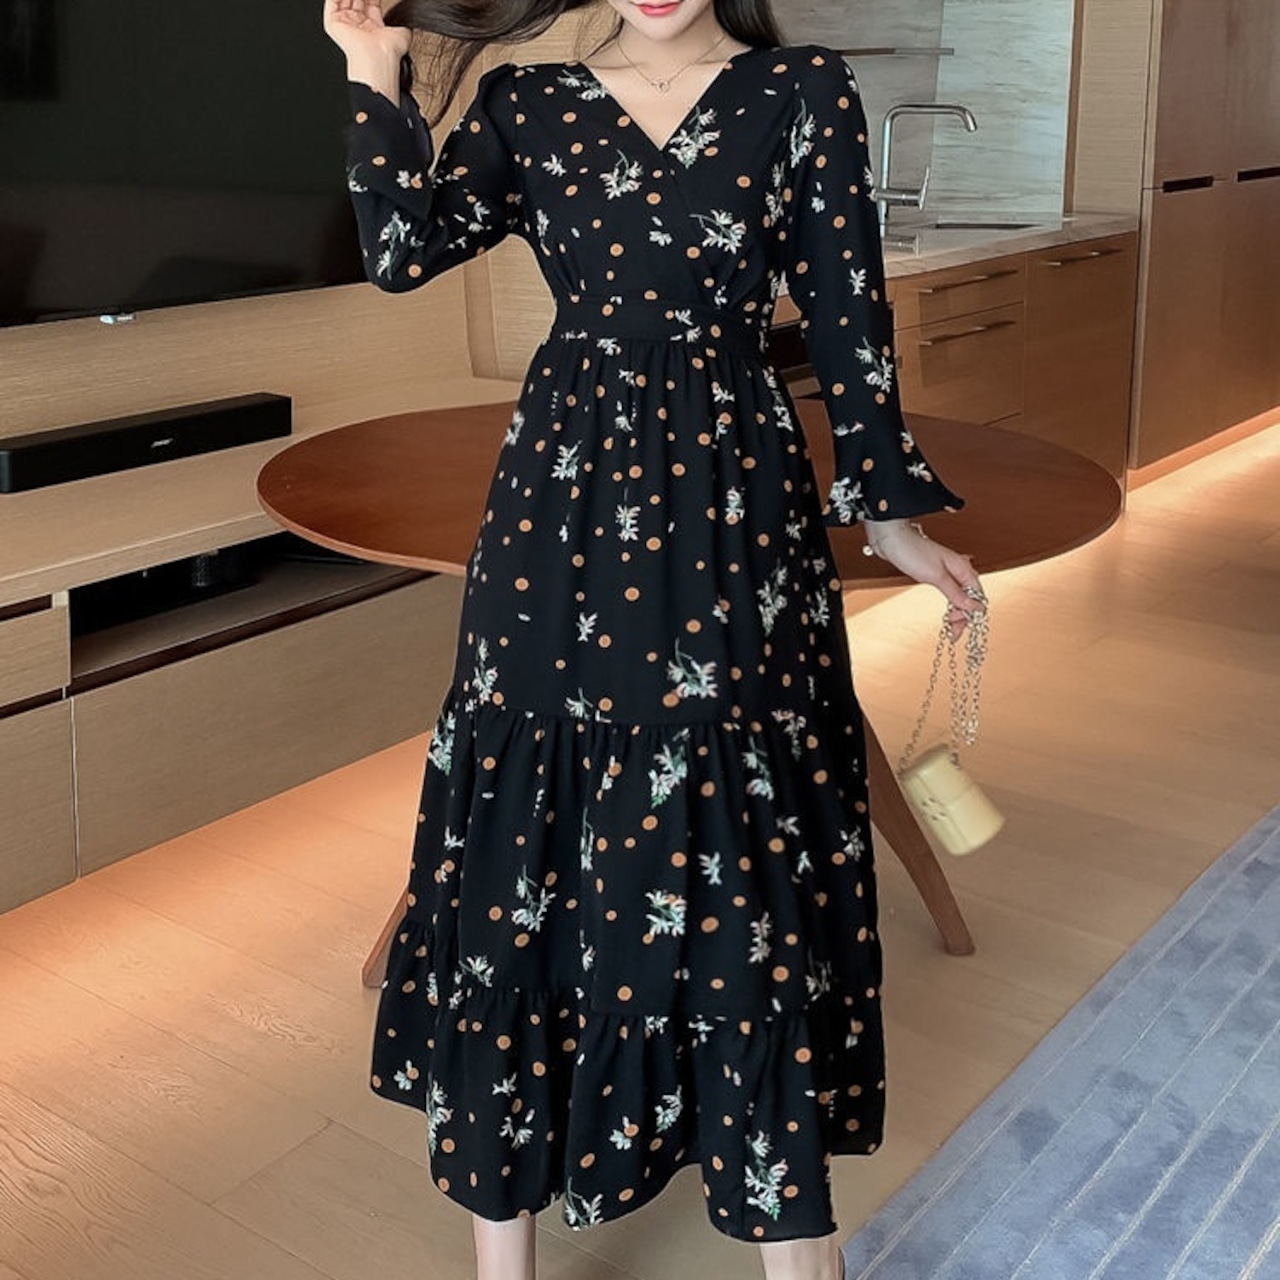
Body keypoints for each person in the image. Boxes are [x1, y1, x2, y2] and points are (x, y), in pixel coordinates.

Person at [323, 1, 983, 1277]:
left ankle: (793, 1245)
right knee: (529, 834)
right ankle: (501, 1251)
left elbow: (847, 312)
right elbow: (400, 250)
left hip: (735, 494)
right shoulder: (528, 101)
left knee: (740, 835)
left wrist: (889, 519)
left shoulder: (802, 91)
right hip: (558, 499)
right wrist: (373, 69)